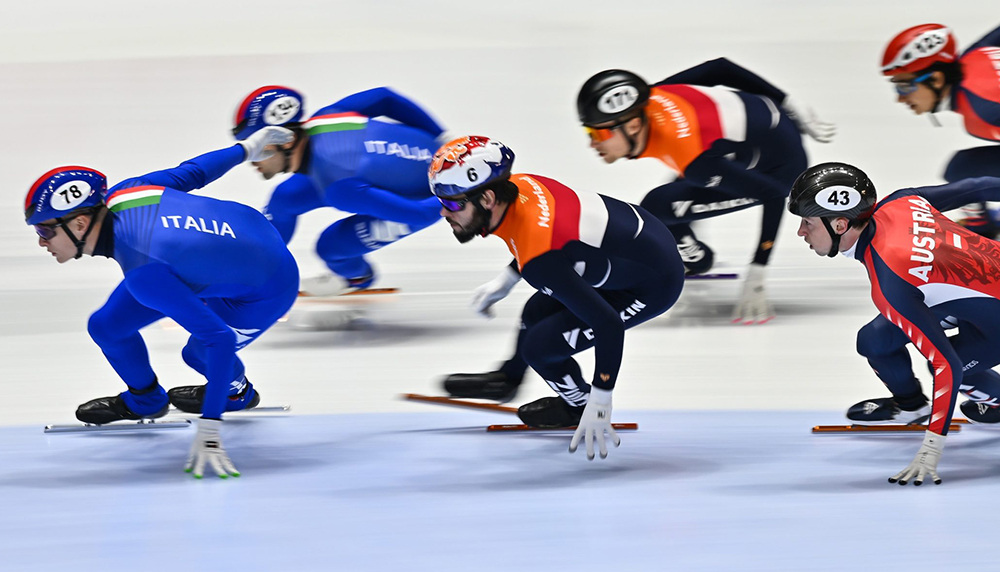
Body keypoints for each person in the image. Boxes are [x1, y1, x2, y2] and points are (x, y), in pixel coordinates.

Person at [25, 126, 299, 479]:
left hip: (267, 284)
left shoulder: (143, 271)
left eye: (44, 231)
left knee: (199, 353)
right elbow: (194, 172)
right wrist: (247, 148)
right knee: (107, 326)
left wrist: (211, 428)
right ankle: (146, 401)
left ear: (79, 223)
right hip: (230, 244)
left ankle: (238, 393)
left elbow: (220, 339)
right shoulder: (127, 193)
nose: (41, 241)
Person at [431, 136, 685, 460]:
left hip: (651, 285)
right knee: (537, 311)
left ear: (488, 198)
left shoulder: (541, 261)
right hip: (632, 247)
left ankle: (578, 405)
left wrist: (602, 398)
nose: (443, 212)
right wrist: (506, 281)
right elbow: (548, 238)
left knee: (541, 347)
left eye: (453, 203)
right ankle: (508, 378)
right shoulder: (522, 185)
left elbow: (608, 324)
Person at [788, 162, 1000, 485]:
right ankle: (910, 405)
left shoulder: (891, 283)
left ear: (841, 225)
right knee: (874, 340)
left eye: (807, 223)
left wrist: (932, 447)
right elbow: (980, 185)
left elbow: (948, 366)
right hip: (971, 295)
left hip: (991, 320)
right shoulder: (899, 202)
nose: (801, 232)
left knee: (942, 367)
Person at [574, 61, 834, 324]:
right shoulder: (652, 95)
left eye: (599, 132)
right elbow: (718, 69)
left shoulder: (694, 159)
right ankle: (693, 253)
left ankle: (697, 260)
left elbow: (774, 194)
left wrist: (757, 271)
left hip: (776, 170)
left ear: (632, 127)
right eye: (588, 130)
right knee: (677, 191)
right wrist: (787, 102)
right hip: (756, 131)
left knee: (658, 207)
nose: (592, 142)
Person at [232, 85, 447, 295]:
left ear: (287, 141)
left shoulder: (338, 188)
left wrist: (456, 196)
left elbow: (419, 214)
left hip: (427, 198)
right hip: (429, 155)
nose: (250, 159)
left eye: (258, 149)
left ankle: (358, 278)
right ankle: (251, 272)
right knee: (285, 199)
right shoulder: (327, 118)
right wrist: (443, 138)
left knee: (331, 249)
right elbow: (384, 97)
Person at [881, 23, 1000, 235]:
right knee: (963, 168)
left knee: (963, 170)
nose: (899, 98)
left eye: (905, 86)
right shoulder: (974, 57)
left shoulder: (984, 109)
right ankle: (981, 227)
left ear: (936, 79)